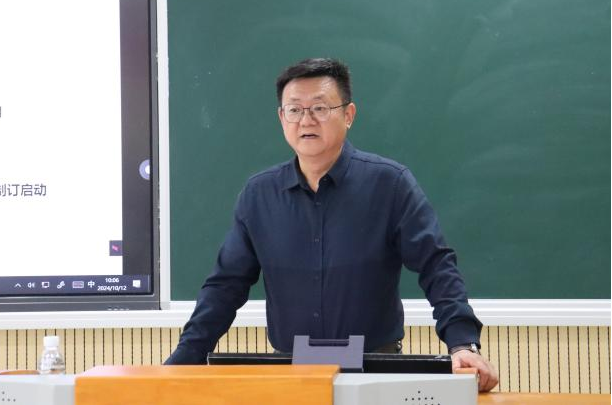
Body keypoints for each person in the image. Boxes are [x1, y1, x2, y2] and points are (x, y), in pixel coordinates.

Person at [165, 58, 498, 392]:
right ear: (282, 118)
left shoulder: (389, 184)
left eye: (320, 108)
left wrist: (462, 344)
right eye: (294, 110)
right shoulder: (259, 194)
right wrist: (185, 357)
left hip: (376, 373)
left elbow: (436, 266)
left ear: (348, 115)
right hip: (291, 376)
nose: (306, 120)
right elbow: (225, 286)